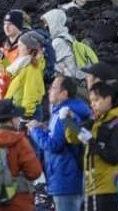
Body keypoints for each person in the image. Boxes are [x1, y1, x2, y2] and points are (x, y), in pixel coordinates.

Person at [27, 76, 90, 211]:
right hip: (66, 178)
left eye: (54, 87)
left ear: (64, 93)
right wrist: (45, 130)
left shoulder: (64, 113)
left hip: (65, 179)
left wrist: (35, 130)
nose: (49, 90)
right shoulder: (65, 111)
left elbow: (54, 145)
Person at [68, 82, 118, 211]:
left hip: (108, 190)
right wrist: (70, 121)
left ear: (108, 99)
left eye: (96, 100)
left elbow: (114, 156)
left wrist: (92, 142)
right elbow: (72, 139)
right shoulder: (95, 122)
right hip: (91, 188)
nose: (92, 104)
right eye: (91, 100)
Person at [0, 100, 43, 211]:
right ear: (11, 119)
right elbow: (35, 172)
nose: (18, 119)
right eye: (16, 117)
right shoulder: (20, 141)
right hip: (19, 202)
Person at [3, 31, 47, 120]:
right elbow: (9, 73)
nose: (18, 49)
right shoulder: (24, 63)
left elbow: (31, 93)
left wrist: (26, 116)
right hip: (21, 110)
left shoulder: (32, 68)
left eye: (20, 46)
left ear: (29, 49)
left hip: (27, 114)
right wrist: (1, 58)